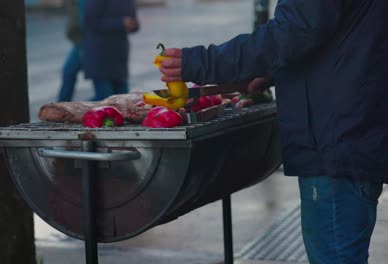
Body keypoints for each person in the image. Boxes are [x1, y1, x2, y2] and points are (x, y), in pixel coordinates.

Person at [158, 1, 388, 263]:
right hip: (347, 130)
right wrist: (270, 74)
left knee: (335, 254)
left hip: (335, 137)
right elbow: (334, 37)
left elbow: (294, 31)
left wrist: (202, 62)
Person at [83, 0, 139, 101]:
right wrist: (120, 23)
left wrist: (133, 25)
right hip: (100, 56)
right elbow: (91, 22)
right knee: (104, 100)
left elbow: (135, 23)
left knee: (124, 102)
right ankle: (71, 112)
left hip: (119, 57)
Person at [57, 0, 87, 102]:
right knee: (68, 72)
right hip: (80, 42)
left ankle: (64, 109)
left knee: (103, 86)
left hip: (87, 42)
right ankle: (61, 108)